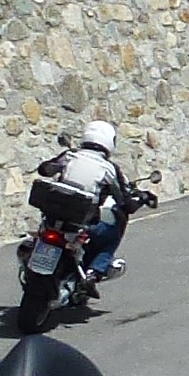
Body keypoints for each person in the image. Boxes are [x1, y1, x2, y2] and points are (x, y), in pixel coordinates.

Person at [41, 119, 138, 279]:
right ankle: (95, 270)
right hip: (80, 223)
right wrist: (141, 199)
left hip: (52, 218)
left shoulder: (70, 156)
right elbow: (125, 203)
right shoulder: (108, 168)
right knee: (112, 234)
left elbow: (44, 170)